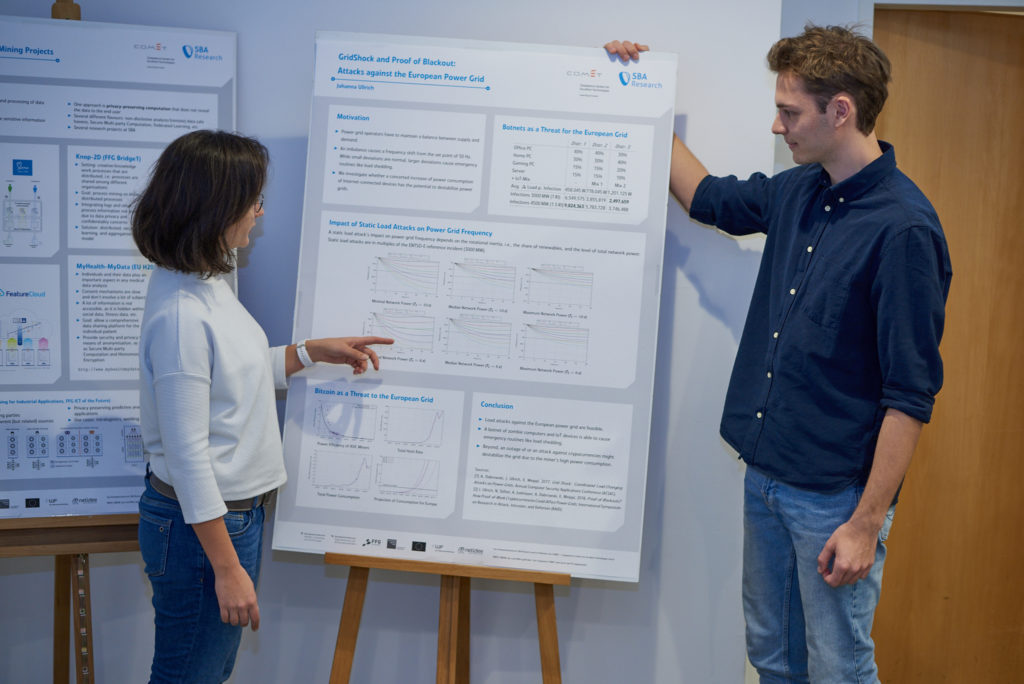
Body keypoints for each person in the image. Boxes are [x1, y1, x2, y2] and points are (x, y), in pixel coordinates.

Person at [607, 25, 951, 683]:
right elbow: (708, 197)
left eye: (790, 111)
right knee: (770, 657)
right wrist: (639, 88)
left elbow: (910, 393)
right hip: (764, 475)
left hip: (835, 502)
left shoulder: (904, 229)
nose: (778, 123)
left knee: (839, 667)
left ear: (840, 110)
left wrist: (865, 524)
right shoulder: (800, 190)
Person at [131, 129, 392, 684]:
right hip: (202, 529)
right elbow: (188, 455)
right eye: (252, 200)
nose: (259, 211)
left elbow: (235, 380)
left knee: (205, 670)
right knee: (187, 675)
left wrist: (306, 353)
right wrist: (226, 569)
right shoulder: (181, 316)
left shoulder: (207, 280)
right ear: (214, 207)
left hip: (227, 520)